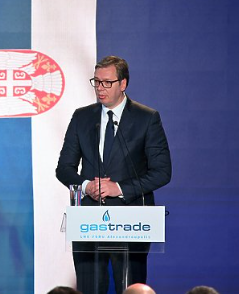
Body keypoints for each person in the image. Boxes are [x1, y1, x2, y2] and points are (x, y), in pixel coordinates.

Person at [56, 56, 172, 294]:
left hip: (132, 222)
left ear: (123, 84)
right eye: (96, 82)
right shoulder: (82, 117)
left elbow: (162, 172)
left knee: (129, 289)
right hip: (88, 223)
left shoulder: (147, 118)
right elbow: (64, 168)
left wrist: (119, 188)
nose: (100, 88)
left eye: (107, 82)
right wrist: (86, 185)